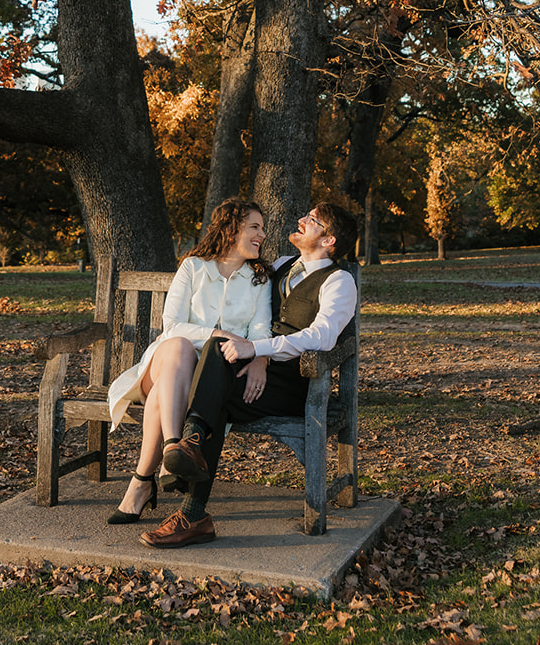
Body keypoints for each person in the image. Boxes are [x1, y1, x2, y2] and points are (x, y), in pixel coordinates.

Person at [140, 199, 359, 548]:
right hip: (257, 373)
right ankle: (192, 455)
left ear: (328, 240)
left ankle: (191, 489)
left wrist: (259, 352)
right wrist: (255, 355)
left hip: (296, 382)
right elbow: (258, 317)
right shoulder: (283, 266)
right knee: (216, 350)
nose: (302, 219)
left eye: (313, 220)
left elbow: (322, 336)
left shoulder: (340, 281)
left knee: (216, 393)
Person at [104, 197, 272, 524]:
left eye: (262, 229)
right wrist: (223, 336)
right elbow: (173, 325)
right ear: (231, 228)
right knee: (179, 346)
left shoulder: (258, 279)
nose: (262, 235)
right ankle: (172, 452)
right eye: (255, 227)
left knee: (162, 395)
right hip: (166, 362)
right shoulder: (193, 267)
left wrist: (260, 358)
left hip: (206, 379)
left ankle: (142, 484)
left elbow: (262, 331)